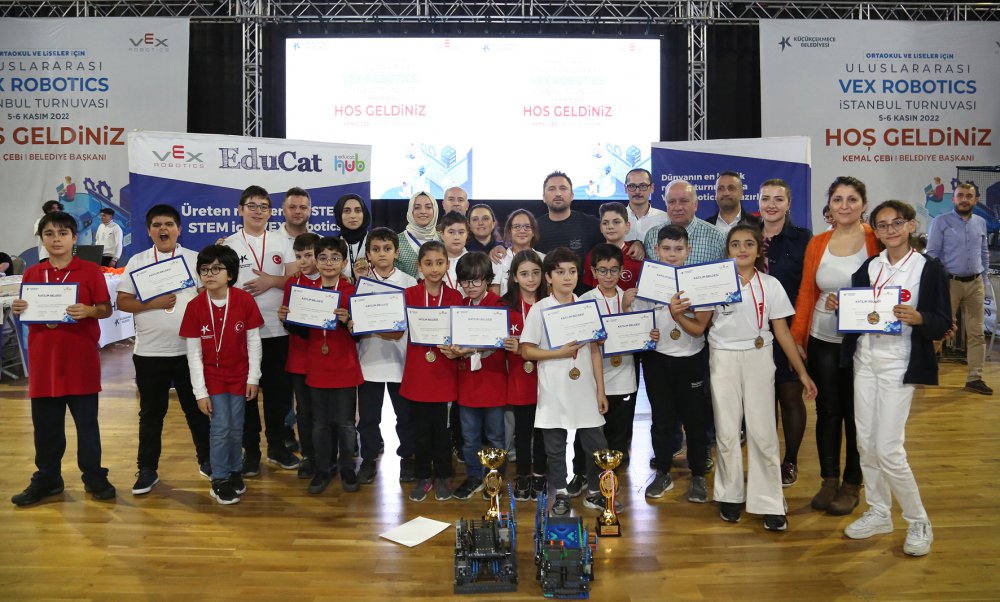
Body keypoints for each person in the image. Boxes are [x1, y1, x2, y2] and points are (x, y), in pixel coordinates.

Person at [841, 200, 951, 557]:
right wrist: (842, 309)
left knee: (888, 448)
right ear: (875, 230)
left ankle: (918, 520)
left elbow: (941, 320)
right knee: (865, 443)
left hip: (899, 363)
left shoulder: (928, 268)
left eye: (897, 223)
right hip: (865, 360)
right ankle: (879, 511)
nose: (890, 230)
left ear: (911, 225)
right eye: (883, 225)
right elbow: (859, 313)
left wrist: (920, 319)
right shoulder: (870, 266)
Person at [707, 225, 817, 531]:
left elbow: (782, 331)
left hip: (759, 356)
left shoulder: (771, 284)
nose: (742, 249)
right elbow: (700, 321)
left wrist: (802, 372)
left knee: (763, 432)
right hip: (723, 358)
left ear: (758, 250)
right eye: (735, 244)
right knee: (727, 431)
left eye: (748, 244)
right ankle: (730, 495)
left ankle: (770, 501)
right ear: (727, 251)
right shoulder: (714, 283)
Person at [10, 211, 116, 506]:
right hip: (44, 362)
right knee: (46, 428)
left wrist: (90, 310)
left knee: (87, 426)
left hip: (80, 360)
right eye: (49, 234)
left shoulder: (90, 270)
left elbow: (106, 308)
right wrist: (20, 308)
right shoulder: (33, 273)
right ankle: (48, 479)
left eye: (62, 233)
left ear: (74, 237)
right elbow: (28, 313)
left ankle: (94, 476)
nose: (56, 239)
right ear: (42, 239)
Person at [792, 176, 879, 516]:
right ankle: (829, 479)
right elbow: (806, 291)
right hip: (822, 339)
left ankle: (852, 484)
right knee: (828, 412)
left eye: (852, 199)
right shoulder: (818, 242)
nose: (844, 205)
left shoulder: (875, 240)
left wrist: (852, 302)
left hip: (863, 342)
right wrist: (799, 337)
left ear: (863, 204)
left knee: (857, 414)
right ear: (829, 205)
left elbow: (886, 289)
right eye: (838, 199)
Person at [117, 204, 211, 495]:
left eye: (169, 224)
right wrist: (153, 303)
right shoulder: (138, 261)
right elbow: (122, 302)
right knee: (151, 414)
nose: (163, 229)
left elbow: (209, 296)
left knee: (197, 411)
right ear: (149, 231)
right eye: (157, 225)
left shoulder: (195, 260)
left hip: (189, 352)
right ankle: (147, 469)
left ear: (178, 229)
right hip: (149, 353)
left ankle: (208, 461)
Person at [520, 247, 615, 517]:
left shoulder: (587, 307)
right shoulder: (539, 309)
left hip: (585, 388)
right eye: (560, 272)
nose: (567, 277)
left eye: (572, 271)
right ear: (548, 277)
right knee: (554, 447)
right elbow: (526, 351)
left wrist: (601, 391)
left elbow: (594, 351)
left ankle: (594, 492)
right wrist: (558, 353)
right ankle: (561, 493)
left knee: (596, 445)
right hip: (554, 389)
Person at [624, 225, 711, 503]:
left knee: (695, 421)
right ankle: (662, 471)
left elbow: (700, 327)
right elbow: (638, 321)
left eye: (678, 249)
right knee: (661, 419)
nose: (672, 254)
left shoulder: (698, 283)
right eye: (666, 249)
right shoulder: (648, 283)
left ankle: (698, 474)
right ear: (657, 250)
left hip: (691, 357)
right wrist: (628, 307)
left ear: (687, 251)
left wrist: (678, 315)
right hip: (657, 359)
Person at [222, 185, 300, 475]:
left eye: (263, 206)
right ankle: (251, 452)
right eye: (252, 206)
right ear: (240, 210)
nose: (258, 211)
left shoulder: (282, 241)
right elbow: (220, 285)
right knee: (247, 396)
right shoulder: (228, 245)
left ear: (271, 212)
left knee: (279, 395)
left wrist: (271, 281)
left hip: (278, 331)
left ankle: (277, 448)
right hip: (243, 334)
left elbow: (296, 280)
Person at [181, 245, 264, 505]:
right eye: (205, 269)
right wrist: (200, 392)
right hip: (212, 378)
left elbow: (254, 342)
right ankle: (219, 478)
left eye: (217, 269)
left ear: (231, 274)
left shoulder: (244, 300)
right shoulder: (194, 306)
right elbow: (193, 353)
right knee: (220, 428)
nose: (209, 274)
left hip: (240, 376)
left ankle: (234, 470)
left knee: (236, 426)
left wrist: (253, 377)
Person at [289, 237, 363, 494]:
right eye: (323, 258)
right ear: (316, 262)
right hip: (317, 366)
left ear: (343, 263)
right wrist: (288, 319)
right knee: (319, 423)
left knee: (345, 424)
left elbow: (360, 334)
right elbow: (301, 331)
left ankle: (347, 468)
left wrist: (348, 322)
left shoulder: (352, 292)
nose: (329, 263)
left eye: (335, 258)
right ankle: (323, 469)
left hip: (345, 367)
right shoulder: (307, 293)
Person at [352, 228, 418, 483]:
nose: (382, 254)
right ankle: (368, 459)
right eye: (376, 249)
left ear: (396, 252)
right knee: (369, 417)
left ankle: (407, 457)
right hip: (369, 360)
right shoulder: (362, 283)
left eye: (387, 249)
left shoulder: (409, 282)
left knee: (405, 416)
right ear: (368, 254)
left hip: (401, 361)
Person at [758, 179, 812, 487]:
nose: (772, 204)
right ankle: (766, 459)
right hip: (752, 332)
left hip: (789, 331)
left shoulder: (803, 239)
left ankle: (790, 460)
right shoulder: (747, 235)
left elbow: (808, 290)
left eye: (778, 199)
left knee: (790, 396)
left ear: (789, 204)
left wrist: (799, 336)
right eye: (766, 198)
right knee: (762, 402)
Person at [402, 241, 464, 502]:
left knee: (442, 432)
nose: (434, 268)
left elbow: (461, 336)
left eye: (439, 263)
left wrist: (457, 349)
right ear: (419, 266)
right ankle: (422, 476)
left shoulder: (455, 297)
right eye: (428, 263)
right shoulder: (409, 295)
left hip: (444, 373)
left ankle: (443, 476)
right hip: (417, 373)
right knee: (420, 431)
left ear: (447, 265)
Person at [578, 244, 638, 484]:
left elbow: (640, 332)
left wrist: (646, 331)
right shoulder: (584, 301)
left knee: (618, 432)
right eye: (602, 270)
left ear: (622, 271)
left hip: (624, 376)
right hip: (594, 378)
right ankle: (583, 474)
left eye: (614, 270)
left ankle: (611, 479)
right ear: (593, 272)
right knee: (589, 431)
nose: (608, 276)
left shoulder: (630, 298)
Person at [450, 253, 508, 500]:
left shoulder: (499, 305)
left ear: (487, 279)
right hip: (468, 382)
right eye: (465, 281)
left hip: (493, 380)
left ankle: (494, 478)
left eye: (476, 280)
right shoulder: (460, 307)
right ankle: (474, 476)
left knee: (495, 436)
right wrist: (453, 349)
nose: (471, 286)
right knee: (469, 437)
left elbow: (499, 341)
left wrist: (469, 348)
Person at [926, 182, 992, 395]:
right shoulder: (940, 222)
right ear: (953, 199)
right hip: (949, 284)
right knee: (939, 330)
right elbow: (932, 254)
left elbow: (984, 252)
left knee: (977, 333)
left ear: (976, 200)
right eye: (960, 195)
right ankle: (923, 372)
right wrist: (938, 284)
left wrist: (984, 280)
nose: (964, 199)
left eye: (969, 196)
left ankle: (975, 378)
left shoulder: (981, 222)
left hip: (975, 284)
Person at [502, 250, 549, 502]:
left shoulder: (551, 303)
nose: (530, 279)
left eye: (535, 273)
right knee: (522, 429)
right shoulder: (505, 307)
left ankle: (540, 473)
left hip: (547, 375)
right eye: (524, 274)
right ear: (514, 277)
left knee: (542, 428)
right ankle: (522, 474)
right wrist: (505, 344)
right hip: (520, 375)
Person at [278, 233, 322, 480]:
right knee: (304, 411)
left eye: (308, 255)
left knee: (325, 411)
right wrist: (284, 318)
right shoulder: (292, 284)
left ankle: (328, 454)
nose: (303, 261)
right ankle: (309, 455)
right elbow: (289, 320)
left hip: (325, 358)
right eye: (298, 256)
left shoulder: (333, 281)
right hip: (300, 358)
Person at [534, 171, 603, 293]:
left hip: (585, 298)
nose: (558, 193)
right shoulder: (533, 228)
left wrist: (636, 243)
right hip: (545, 298)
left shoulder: (591, 224)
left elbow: (614, 244)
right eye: (552, 189)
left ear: (572, 195)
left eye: (563, 188)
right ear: (544, 197)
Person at [643, 180, 726, 266]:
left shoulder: (716, 237)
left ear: (695, 204)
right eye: (672, 202)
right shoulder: (652, 236)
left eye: (683, 201)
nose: (677, 207)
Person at [582, 203, 643, 290]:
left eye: (616, 222)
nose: (610, 226)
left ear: (627, 226)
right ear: (601, 228)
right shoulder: (592, 255)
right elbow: (587, 288)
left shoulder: (637, 255)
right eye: (605, 223)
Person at [490, 209, 546, 297]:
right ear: (509, 232)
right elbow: (494, 295)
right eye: (516, 227)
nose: (522, 231)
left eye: (527, 226)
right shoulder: (498, 259)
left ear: (533, 232)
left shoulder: (543, 259)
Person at [395, 191, 440, 279]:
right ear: (410, 211)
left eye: (428, 207)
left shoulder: (443, 239)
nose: (423, 211)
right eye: (417, 207)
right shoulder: (396, 241)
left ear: (435, 210)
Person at [706, 171, 762, 237]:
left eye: (731, 188)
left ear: (741, 193)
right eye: (720, 188)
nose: (726, 193)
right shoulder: (706, 226)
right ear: (715, 194)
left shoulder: (757, 224)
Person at [623, 168, 667, 250]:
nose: (637, 191)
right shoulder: (616, 219)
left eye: (643, 186)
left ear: (652, 188)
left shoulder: (665, 219)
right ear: (625, 188)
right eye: (632, 186)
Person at [335, 193, 371, 282]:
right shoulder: (333, 245)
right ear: (339, 214)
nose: (353, 216)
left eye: (358, 210)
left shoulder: (374, 242)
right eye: (347, 211)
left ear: (364, 213)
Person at [439, 211, 469, 291]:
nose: (456, 237)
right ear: (442, 235)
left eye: (461, 232)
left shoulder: (474, 261)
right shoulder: (434, 261)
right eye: (451, 232)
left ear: (467, 234)